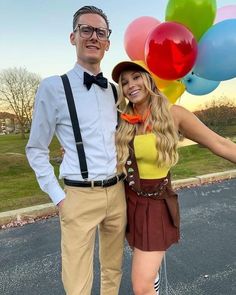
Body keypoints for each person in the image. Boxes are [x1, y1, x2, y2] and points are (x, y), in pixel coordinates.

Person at [111, 60, 236, 295]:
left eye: (136, 77)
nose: (131, 85)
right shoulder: (122, 120)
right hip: (127, 202)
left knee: (141, 284)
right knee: (145, 269)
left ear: (149, 79)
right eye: (124, 82)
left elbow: (218, 142)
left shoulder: (173, 113)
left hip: (155, 205)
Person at [26, 6, 127, 295]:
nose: (93, 36)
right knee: (77, 281)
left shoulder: (115, 91)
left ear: (107, 42)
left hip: (117, 192)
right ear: (73, 37)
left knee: (113, 270)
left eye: (101, 32)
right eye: (86, 29)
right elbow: (35, 149)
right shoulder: (53, 88)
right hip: (78, 196)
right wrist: (59, 198)